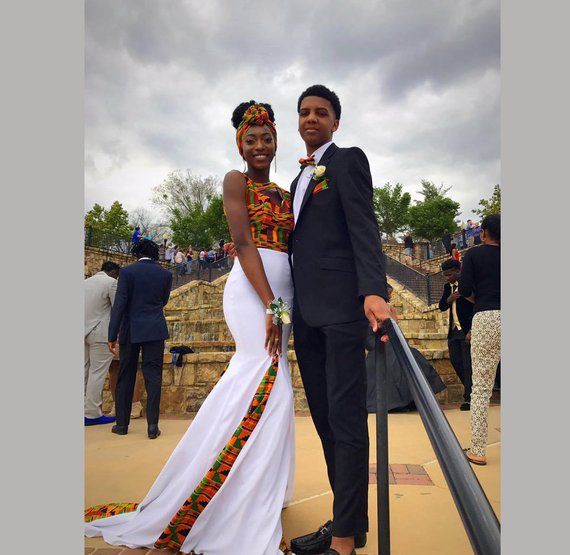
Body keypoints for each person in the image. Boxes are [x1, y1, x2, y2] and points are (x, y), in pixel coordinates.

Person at [85, 101, 294, 554]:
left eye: (267, 138)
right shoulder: (235, 181)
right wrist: (272, 303)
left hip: (284, 294)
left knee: (276, 382)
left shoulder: (286, 190)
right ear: (240, 145)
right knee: (261, 378)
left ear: (277, 141)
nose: (260, 146)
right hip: (256, 293)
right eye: (251, 139)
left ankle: (261, 487)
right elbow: (242, 241)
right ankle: (230, 486)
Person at [289, 84, 390, 555]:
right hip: (307, 318)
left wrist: (373, 289)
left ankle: (345, 542)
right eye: (305, 112)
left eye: (322, 113)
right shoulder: (298, 181)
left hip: (343, 315)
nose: (312, 118)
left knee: (347, 423)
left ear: (335, 122)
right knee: (327, 422)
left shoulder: (347, 160)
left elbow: (363, 225)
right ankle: (349, 523)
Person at [107, 239, 173, 440]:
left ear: (137, 253)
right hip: (154, 328)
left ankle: (121, 424)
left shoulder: (127, 272)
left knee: (126, 375)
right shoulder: (165, 274)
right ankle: (152, 426)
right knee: (153, 376)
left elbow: (119, 304)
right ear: (155, 254)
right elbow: (163, 301)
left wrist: (112, 335)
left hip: (130, 330)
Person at [459, 214, 501, 466]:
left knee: (482, 388)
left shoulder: (473, 255)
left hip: (486, 317)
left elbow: (464, 290)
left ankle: (478, 449)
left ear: (483, 232)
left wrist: (482, 301)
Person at [366, 284, 445, 413]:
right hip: (375, 342)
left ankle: (410, 399)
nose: (390, 296)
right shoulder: (369, 307)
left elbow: (394, 324)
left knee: (412, 355)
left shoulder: (389, 307)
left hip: (390, 340)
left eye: (391, 294)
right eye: (388, 293)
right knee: (393, 359)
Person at [84, 261, 120, 426]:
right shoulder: (111, 282)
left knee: (84, 371)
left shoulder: (86, 283)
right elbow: (117, 308)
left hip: (83, 331)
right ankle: (92, 414)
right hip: (100, 333)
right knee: (97, 373)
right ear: (113, 272)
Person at [439, 259, 473, 411]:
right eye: (445, 275)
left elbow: (475, 306)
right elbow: (441, 306)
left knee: (468, 365)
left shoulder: (468, 284)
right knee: (455, 361)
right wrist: (449, 299)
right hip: (453, 331)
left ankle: (469, 399)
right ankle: (472, 391)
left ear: (458, 271)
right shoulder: (448, 287)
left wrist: (472, 329)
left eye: (449, 274)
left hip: (466, 330)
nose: (447, 278)